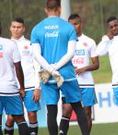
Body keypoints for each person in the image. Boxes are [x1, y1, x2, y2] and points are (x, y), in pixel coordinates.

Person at [30, 0, 89, 135]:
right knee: (78, 107)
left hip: (47, 74)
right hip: (66, 74)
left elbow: (37, 56)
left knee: (51, 110)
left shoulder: (37, 29)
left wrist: (51, 70)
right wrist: (56, 68)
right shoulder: (68, 28)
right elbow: (70, 53)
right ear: (60, 9)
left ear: (46, 9)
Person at [59, 13, 99, 135]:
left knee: (87, 112)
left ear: (81, 24)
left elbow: (96, 64)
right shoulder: (64, 42)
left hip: (86, 83)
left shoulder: (90, 41)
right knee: (66, 110)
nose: (73, 27)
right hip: (70, 82)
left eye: (76, 24)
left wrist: (83, 69)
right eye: (71, 25)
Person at [4, 17, 41, 135]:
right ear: (10, 28)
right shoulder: (5, 45)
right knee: (10, 118)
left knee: (32, 114)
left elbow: (38, 66)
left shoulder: (30, 44)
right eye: (14, 27)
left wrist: (37, 87)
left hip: (29, 85)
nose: (16, 29)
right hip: (12, 87)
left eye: (19, 27)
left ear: (23, 29)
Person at [0, 21, 29, 135]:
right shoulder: (11, 44)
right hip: (10, 89)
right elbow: (18, 68)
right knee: (20, 120)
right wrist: (22, 87)